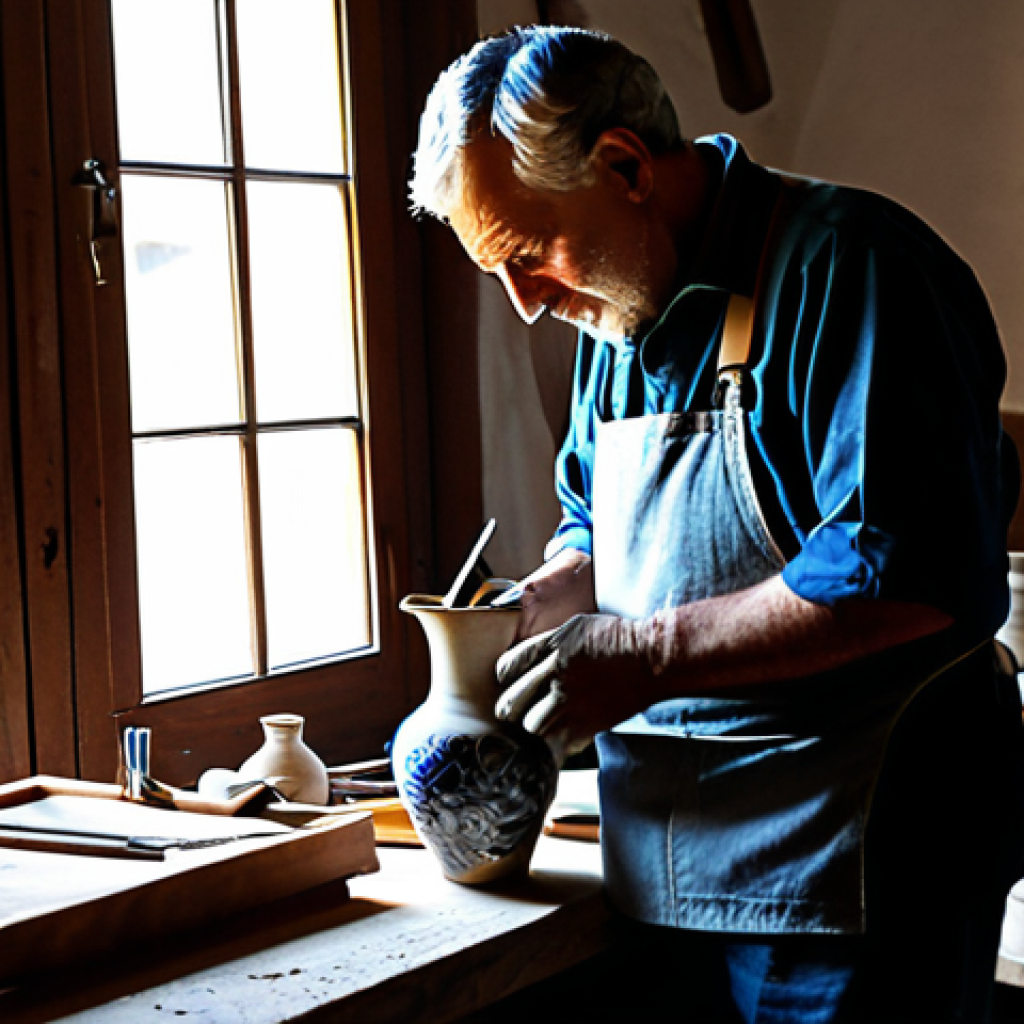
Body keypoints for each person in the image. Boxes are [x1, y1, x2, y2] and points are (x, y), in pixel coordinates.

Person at [410, 25, 1024, 1023]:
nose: (525, 304)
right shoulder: (613, 309)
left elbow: (905, 572)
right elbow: (593, 524)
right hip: (669, 865)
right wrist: (540, 600)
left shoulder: (852, 269)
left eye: (528, 254)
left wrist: (642, 652)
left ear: (623, 166)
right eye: (498, 273)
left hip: (859, 871)